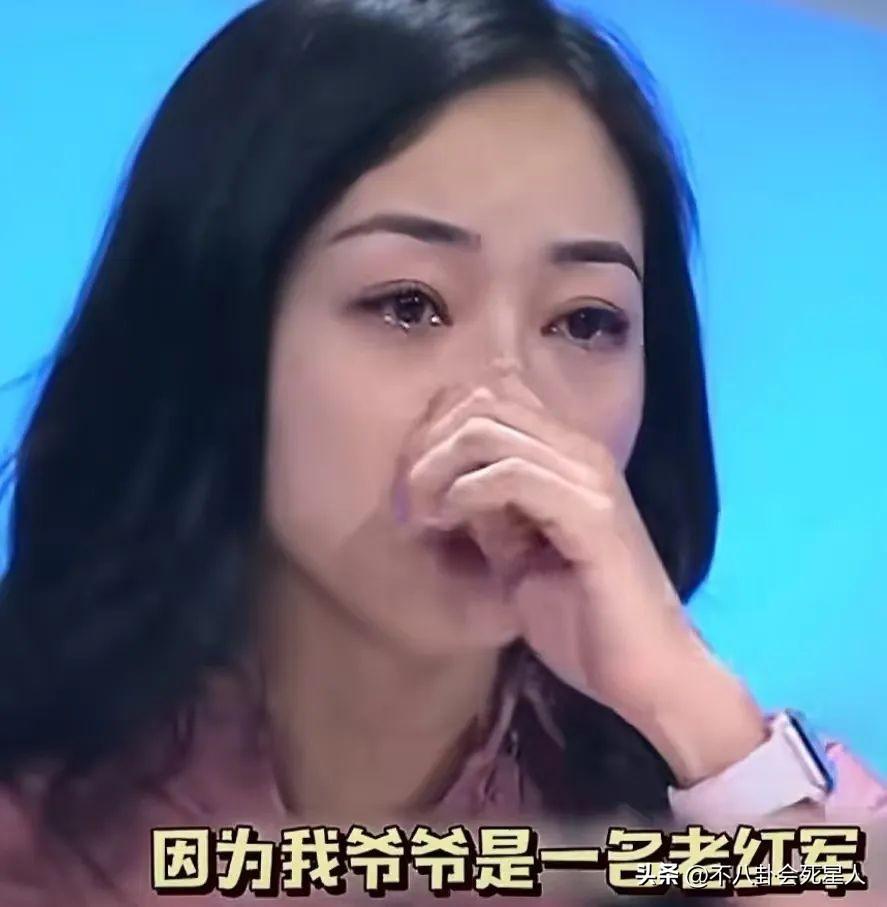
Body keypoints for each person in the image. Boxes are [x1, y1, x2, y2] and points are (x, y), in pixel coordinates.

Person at [0, 0, 883, 903]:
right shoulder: (34, 819)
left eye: (584, 321)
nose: (503, 406)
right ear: (219, 334)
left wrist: (687, 709)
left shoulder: (701, 800)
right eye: (408, 304)